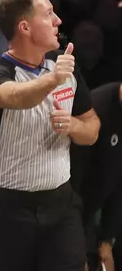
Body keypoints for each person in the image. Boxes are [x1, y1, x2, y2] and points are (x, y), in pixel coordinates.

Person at [0, 0, 100, 271]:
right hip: (10, 210)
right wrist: (53, 80)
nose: (58, 20)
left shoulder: (64, 66)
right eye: (48, 14)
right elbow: (15, 97)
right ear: (25, 27)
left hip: (61, 201)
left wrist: (74, 126)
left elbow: (92, 128)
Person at [71, 82, 122, 271]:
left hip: (98, 210)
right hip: (68, 209)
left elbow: (119, 182)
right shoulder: (95, 108)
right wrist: (77, 248)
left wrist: (107, 239)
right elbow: (72, 179)